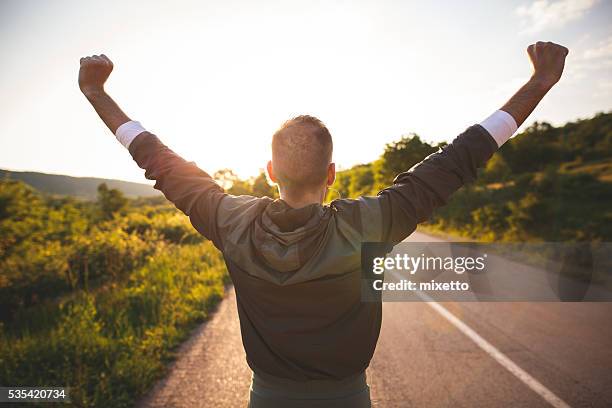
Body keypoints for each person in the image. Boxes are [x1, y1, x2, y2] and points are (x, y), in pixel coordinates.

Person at [78, 41, 568, 408]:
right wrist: (539, 83)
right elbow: (461, 157)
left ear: (271, 172)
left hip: (266, 397)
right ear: (331, 174)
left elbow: (156, 158)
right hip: (347, 398)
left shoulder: (230, 220)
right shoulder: (370, 222)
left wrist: (96, 91)